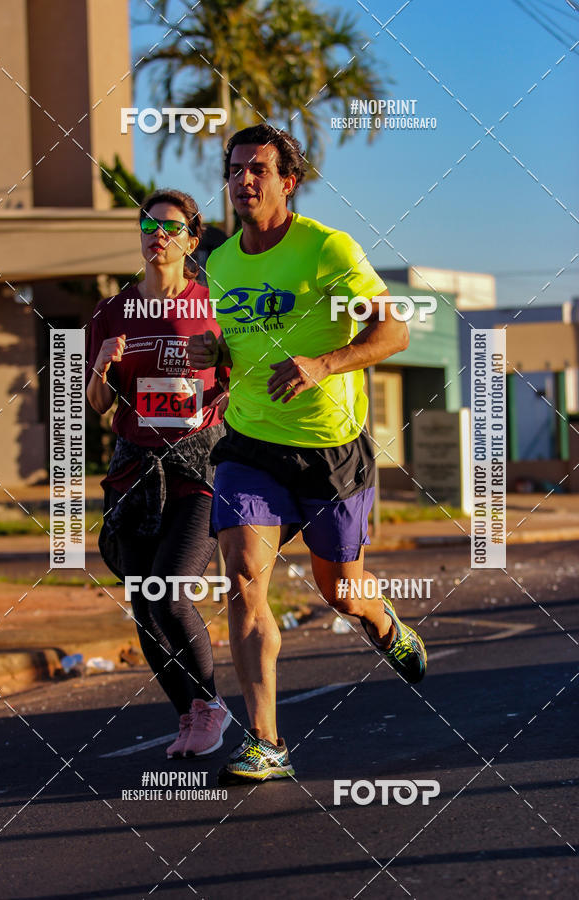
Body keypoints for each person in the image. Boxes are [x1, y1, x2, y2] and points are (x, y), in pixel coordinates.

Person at [188, 125, 427, 784]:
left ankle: (384, 622)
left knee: (341, 592)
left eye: (259, 169)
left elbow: (395, 331)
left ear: (288, 181)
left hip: (328, 448)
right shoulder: (222, 262)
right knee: (242, 578)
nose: (244, 180)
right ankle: (266, 741)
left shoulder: (328, 249)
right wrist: (217, 354)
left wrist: (323, 363)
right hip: (250, 445)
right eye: (235, 169)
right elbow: (240, 345)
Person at [87, 189, 231, 759]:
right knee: (145, 607)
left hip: (199, 467)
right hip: (136, 472)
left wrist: (221, 363)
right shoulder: (111, 311)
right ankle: (188, 714)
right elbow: (98, 403)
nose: (158, 236)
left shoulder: (215, 304)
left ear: (192, 239)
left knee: (169, 593)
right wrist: (102, 367)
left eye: (171, 227)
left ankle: (212, 704)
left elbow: (241, 381)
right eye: (149, 226)